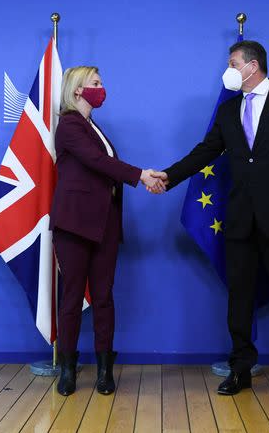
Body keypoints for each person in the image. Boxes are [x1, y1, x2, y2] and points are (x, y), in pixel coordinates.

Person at [155, 40, 269, 399]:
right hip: (240, 219)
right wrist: (168, 176)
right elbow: (206, 151)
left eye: (232, 62)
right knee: (239, 297)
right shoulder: (229, 110)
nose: (228, 69)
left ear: (252, 65)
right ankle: (240, 368)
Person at [50, 66, 164, 396]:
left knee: (104, 298)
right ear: (76, 90)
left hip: (104, 226)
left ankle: (104, 371)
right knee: (71, 298)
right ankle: (68, 369)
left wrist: (140, 176)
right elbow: (99, 163)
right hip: (74, 224)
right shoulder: (70, 125)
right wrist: (141, 174)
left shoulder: (92, 126)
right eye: (96, 83)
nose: (102, 88)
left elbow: (105, 166)